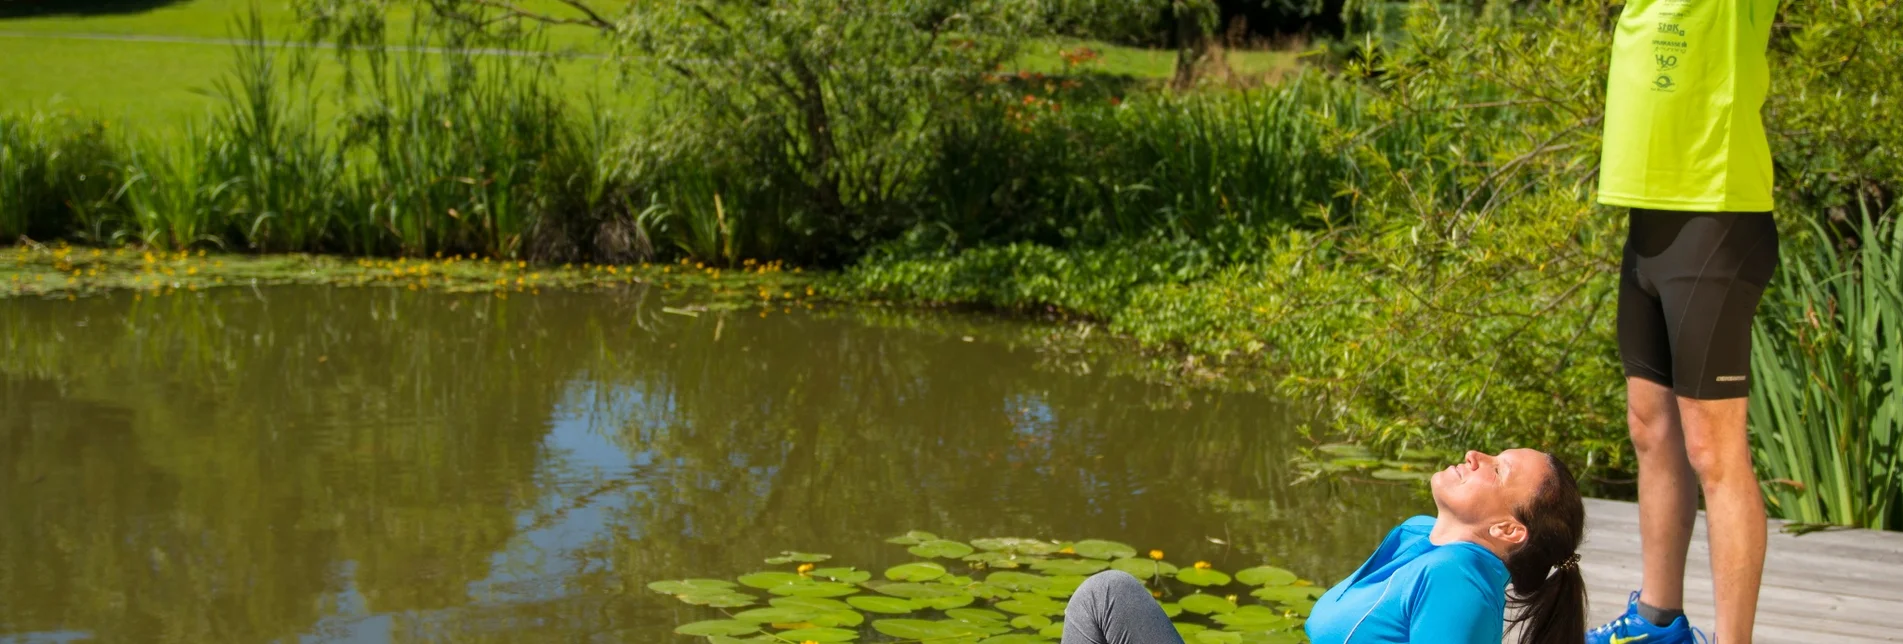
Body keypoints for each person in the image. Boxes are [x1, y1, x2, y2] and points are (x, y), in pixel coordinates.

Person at [1589, 0, 1781, 642]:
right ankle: (1657, 621)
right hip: (1647, 218)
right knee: (1650, 427)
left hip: (1716, 214)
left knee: (1714, 449)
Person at [1061, 449, 1586, 644]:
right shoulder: (1418, 539)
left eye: (1499, 469)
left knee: (1106, 597)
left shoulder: (1459, 580)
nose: (1475, 455)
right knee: (1107, 597)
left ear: (1508, 531)